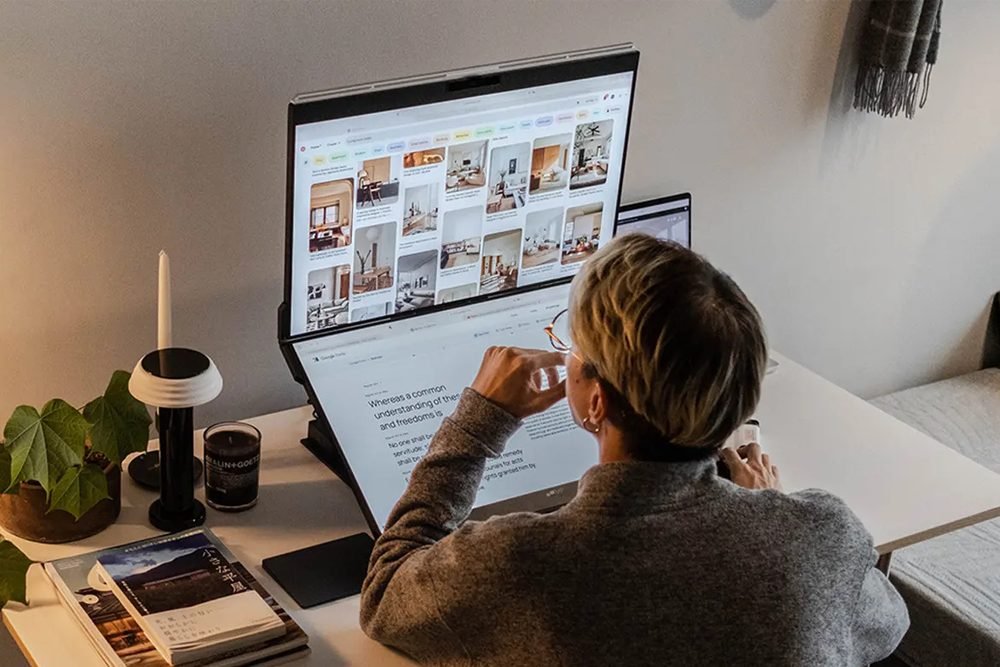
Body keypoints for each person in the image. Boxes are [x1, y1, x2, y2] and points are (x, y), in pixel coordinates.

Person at [360, 234, 908, 666]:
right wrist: (772, 515)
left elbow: (385, 594)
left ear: (596, 401)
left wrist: (479, 420)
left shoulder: (518, 563)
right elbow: (886, 625)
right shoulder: (821, 534)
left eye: (573, 346)